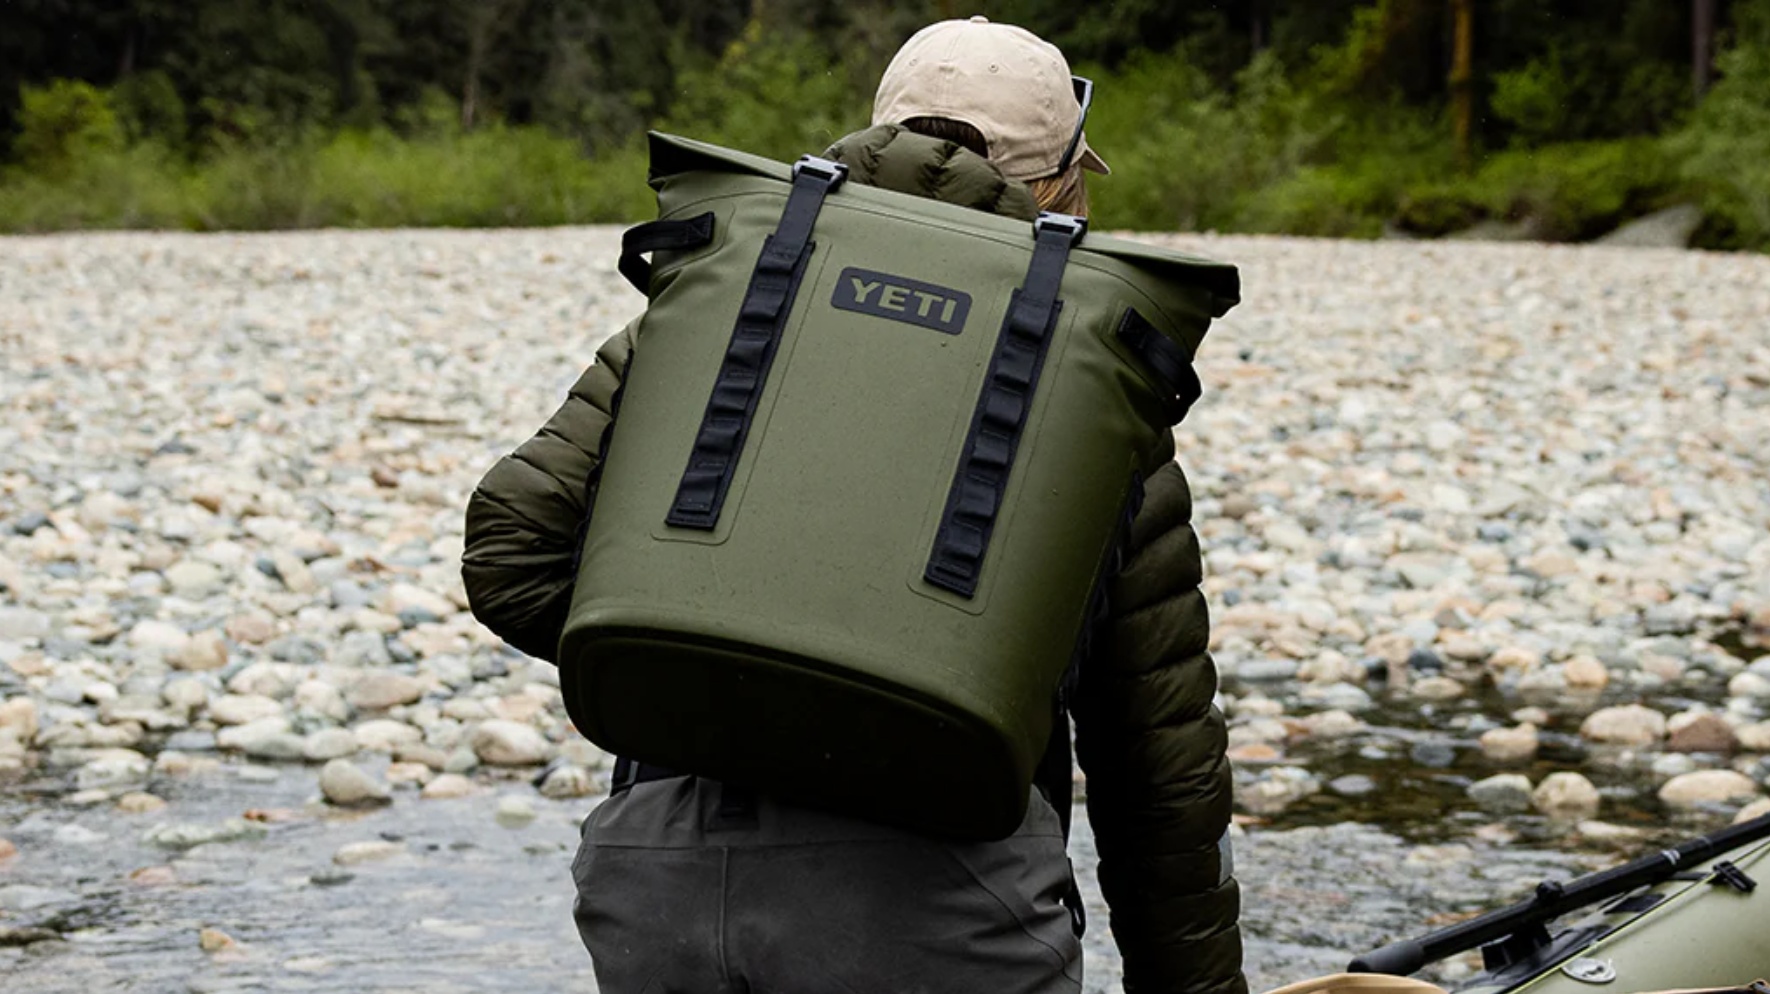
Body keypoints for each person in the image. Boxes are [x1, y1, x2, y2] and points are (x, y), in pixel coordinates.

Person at [462, 16, 1243, 994]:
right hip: (939, 908)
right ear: (1055, 186)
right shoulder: (1092, 388)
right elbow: (1158, 771)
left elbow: (509, 543)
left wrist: (693, 669)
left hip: (660, 879)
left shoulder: (732, 296)